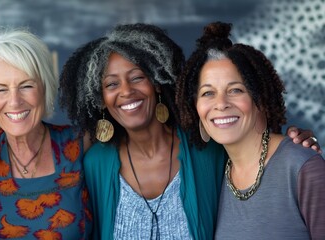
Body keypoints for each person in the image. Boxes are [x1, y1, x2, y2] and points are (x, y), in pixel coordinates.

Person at [59, 23, 321, 240]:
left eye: (138, 77)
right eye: (111, 84)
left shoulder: (207, 148)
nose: (126, 91)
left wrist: (296, 145)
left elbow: (253, 145)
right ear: (100, 98)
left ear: (157, 82)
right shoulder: (95, 165)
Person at [176, 21, 325, 239]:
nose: (221, 104)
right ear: (195, 107)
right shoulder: (214, 174)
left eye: (235, 90)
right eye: (208, 93)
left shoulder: (302, 168)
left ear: (259, 100)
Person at [0, 27, 92, 239]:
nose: (14, 101)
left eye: (26, 86)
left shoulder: (80, 144)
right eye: (1, 89)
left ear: (45, 87)